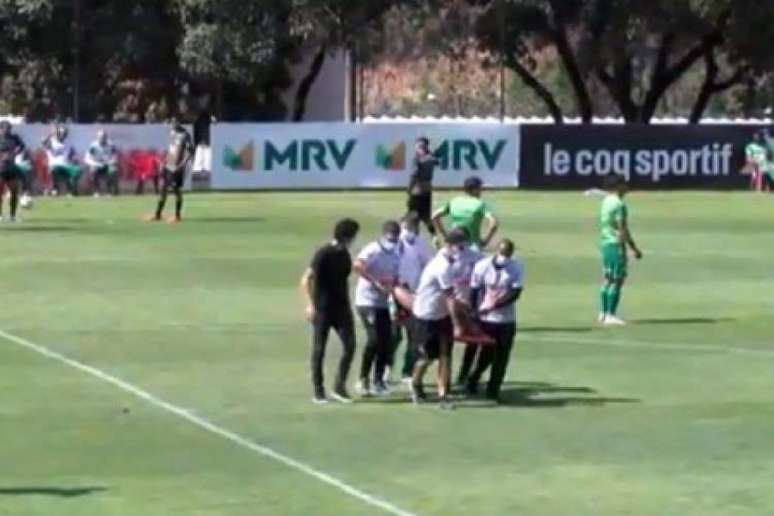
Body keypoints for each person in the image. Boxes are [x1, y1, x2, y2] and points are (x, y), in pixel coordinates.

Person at [300, 218, 361, 404]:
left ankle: (339, 386)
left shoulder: (345, 255)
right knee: (320, 349)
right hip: (323, 309)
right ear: (347, 237)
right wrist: (310, 304)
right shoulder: (323, 254)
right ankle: (318, 390)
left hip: (342, 308)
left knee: (350, 346)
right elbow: (305, 279)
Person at [410, 228, 469, 409]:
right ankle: (415, 383)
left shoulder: (450, 262)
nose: (463, 250)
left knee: (445, 355)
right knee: (426, 358)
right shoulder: (441, 266)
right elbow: (450, 298)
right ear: (450, 246)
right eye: (460, 246)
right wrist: (458, 324)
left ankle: (443, 396)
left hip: (441, 314)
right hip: (426, 315)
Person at [465, 239, 524, 402]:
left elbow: (515, 293)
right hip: (486, 320)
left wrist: (494, 306)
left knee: (502, 357)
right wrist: (473, 312)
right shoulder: (482, 266)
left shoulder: (516, 267)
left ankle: (493, 390)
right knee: (486, 355)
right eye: (502, 253)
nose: (504, 257)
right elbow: (474, 290)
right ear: (496, 251)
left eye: (508, 254)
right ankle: (473, 379)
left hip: (506, 319)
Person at [353, 221, 402, 396]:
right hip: (366, 300)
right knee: (374, 339)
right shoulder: (373, 249)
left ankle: (378, 380)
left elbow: (395, 277)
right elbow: (357, 265)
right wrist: (374, 281)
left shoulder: (397, 252)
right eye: (390, 238)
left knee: (386, 340)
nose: (392, 242)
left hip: (384, 302)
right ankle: (362, 379)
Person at [389, 212, 433, 383]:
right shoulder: (395, 243)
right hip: (394, 293)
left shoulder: (420, 243)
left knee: (414, 335)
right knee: (394, 335)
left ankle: (407, 371)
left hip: (414, 294)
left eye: (412, 226)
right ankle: (386, 367)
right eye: (406, 226)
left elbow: (426, 265)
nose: (409, 230)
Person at [599, 174, 643, 326]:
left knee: (607, 278)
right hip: (615, 244)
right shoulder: (619, 205)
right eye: (625, 184)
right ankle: (611, 315)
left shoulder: (606, 201)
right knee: (617, 280)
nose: (627, 187)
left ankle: (603, 313)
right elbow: (622, 228)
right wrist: (633, 248)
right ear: (618, 186)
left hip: (605, 243)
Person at [146, 118, 194, 223]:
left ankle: (177, 216)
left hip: (176, 167)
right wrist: (164, 161)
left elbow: (190, 152)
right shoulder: (172, 132)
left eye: (174, 123)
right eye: (171, 124)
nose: (171, 126)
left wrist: (182, 165)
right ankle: (157, 214)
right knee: (163, 189)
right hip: (168, 164)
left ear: (178, 123)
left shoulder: (185, 135)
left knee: (176, 191)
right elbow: (171, 148)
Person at [432, 176, 499, 250]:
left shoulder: (455, 201)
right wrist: (486, 241)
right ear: (474, 190)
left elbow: (435, 216)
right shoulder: (480, 204)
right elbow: (494, 223)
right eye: (480, 188)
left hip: (454, 245)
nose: (481, 191)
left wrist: (445, 235)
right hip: (473, 247)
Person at [407, 137, 439, 236]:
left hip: (417, 190)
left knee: (413, 216)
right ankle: (435, 238)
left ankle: (414, 236)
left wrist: (409, 188)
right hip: (427, 190)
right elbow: (436, 162)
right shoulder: (431, 158)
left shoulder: (417, 159)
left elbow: (414, 174)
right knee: (426, 217)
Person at [43, 124, 82, 196]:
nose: (62, 135)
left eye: (64, 133)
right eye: (61, 133)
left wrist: (75, 159)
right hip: (54, 165)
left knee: (78, 170)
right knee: (53, 170)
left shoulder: (68, 142)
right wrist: (51, 134)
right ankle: (55, 189)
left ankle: (72, 190)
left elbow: (73, 153)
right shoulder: (51, 141)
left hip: (66, 165)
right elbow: (44, 143)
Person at [0, 121, 27, 221]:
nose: (6, 130)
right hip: (1, 168)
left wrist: (15, 153)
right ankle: (0, 215)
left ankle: (12, 215)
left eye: (8, 129)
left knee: (14, 192)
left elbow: (23, 146)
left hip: (11, 167)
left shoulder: (14, 138)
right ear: (1, 129)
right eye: (4, 128)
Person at [85, 129, 119, 197]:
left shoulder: (111, 145)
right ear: (97, 137)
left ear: (106, 137)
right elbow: (86, 159)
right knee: (92, 170)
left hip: (107, 164)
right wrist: (95, 164)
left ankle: (108, 192)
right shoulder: (93, 146)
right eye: (100, 136)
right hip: (97, 165)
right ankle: (96, 192)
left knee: (113, 170)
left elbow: (115, 158)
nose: (102, 138)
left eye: (104, 136)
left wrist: (110, 162)